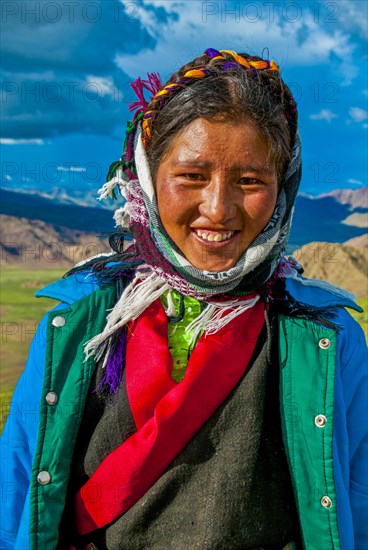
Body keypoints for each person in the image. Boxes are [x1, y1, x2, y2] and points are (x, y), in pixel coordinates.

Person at [1, 48, 367, 550]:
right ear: (148, 179)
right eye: (192, 176)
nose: (218, 209)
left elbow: (356, 499)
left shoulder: (327, 337)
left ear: (283, 189)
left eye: (250, 180)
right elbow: (18, 494)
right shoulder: (80, 325)